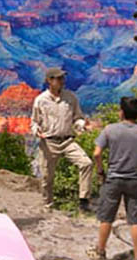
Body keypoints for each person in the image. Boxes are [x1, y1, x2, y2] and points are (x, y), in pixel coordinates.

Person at [90, 96, 137, 260]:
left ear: (121, 112)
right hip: (135, 181)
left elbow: (97, 153)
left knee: (106, 217)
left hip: (113, 179)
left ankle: (100, 251)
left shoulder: (110, 130)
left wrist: (100, 171)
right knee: (135, 220)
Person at [31, 67, 94, 212]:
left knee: (86, 163)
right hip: (48, 142)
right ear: (49, 81)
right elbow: (34, 121)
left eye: (62, 78)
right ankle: (47, 204)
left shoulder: (71, 97)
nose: (62, 81)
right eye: (58, 78)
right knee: (47, 176)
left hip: (67, 141)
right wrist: (36, 130)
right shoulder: (40, 100)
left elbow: (77, 117)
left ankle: (84, 199)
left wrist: (82, 125)